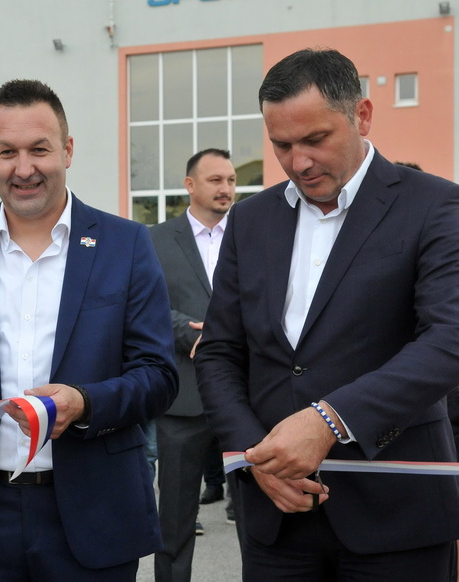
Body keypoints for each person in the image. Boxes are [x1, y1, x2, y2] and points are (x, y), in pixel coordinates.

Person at [194, 48, 459, 581]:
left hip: (396, 512)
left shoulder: (435, 205)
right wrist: (254, 457)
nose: (298, 163)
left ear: (362, 115)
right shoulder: (249, 220)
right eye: (281, 145)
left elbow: (447, 340)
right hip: (276, 516)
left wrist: (329, 420)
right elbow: (220, 351)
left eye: (315, 139)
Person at [0, 79, 178, 581]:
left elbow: (159, 374)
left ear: (67, 150)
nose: (23, 168)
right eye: (8, 152)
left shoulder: (126, 244)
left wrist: (84, 403)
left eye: (39, 149)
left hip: (94, 514)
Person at [149, 148, 235, 581]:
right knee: (176, 519)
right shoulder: (155, 240)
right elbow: (141, 306)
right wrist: (186, 330)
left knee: (260, 518)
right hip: (183, 397)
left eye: (231, 181)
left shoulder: (251, 233)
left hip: (246, 395)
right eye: (216, 180)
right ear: (190, 185)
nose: (226, 189)